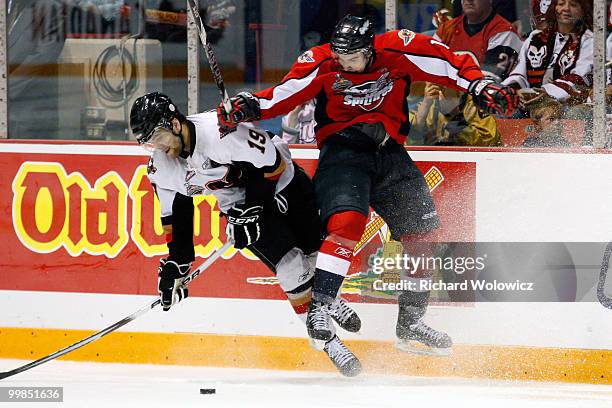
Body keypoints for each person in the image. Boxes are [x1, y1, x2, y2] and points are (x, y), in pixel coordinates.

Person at [217, 15, 518, 354]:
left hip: (389, 153)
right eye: (340, 56)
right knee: (346, 224)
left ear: (369, 49)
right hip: (343, 153)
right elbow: (283, 94)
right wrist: (249, 105)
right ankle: (321, 308)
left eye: (352, 57)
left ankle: (411, 322)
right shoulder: (322, 62)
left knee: (423, 237)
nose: (344, 63)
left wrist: (480, 85)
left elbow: (446, 62)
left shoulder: (397, 49)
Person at [129, 92, 363, 377]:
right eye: (149, 144)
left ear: (175, 125)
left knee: (315, 252)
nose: (158, 149)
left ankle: (328, 298)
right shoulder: (161, 166)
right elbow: (175, 214)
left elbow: (271, 164)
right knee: (290, 267)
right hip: (238, 207)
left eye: (158, 138)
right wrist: (177, 264)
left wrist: (254, 207)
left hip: (282, 181)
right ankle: (329, 343)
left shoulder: (219, 133)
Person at [502, 0, 593, 107]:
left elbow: (579, 77)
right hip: (528, 104)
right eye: (561, 4)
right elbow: (519, 74)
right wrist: (514, 91)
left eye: (573, 5)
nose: (566, 9)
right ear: (554, 7)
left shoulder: (589, 40)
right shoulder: (536, 37)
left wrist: (547, 93)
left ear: (583, 10)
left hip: (566, 108)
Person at [435, 0, 523, 81]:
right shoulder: (446, 29)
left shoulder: (505, 32)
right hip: (447, 93)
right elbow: (427, 67)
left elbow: (488, 82)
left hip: (480, 95)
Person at [410, 81, 502, 146]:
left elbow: (489, 145)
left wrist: (454, 116)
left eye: (445, 82)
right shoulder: (426, 105)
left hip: (471, 168)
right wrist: (425, 106)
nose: (441, 88)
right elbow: (409, 145)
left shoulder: (476, 104)